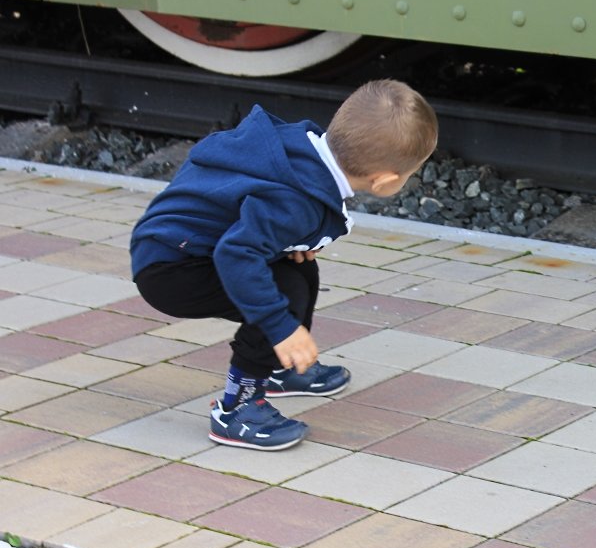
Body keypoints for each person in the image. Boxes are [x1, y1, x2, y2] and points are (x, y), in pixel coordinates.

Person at [130, 80, 438, 450]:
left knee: (299, 271)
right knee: (280, 298)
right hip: (172, 269)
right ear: (385, 181)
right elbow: (236, 254)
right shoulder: (295, 200)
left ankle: (279, 366)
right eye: (409, 175)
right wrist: (280, 328)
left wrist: (287, 242)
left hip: (181, 244)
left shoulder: (301, 148)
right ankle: (237, 409)